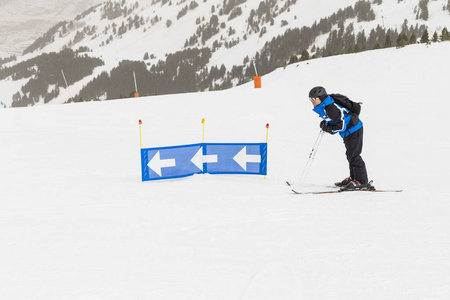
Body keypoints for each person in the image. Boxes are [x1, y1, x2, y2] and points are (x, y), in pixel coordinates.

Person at [308, 86, 372, 191]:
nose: (312, 101)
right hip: (348, 132)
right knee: (350, 154)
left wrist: (327, 128)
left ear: (321, 97)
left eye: (314, 98)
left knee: (354, 155)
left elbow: (340, 126)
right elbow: (338, 119)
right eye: (310, 99)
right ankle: (354, 178)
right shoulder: (326, 106)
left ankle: (362, 181)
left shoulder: (330, 108)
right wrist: (326, 123)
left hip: (354, 130)